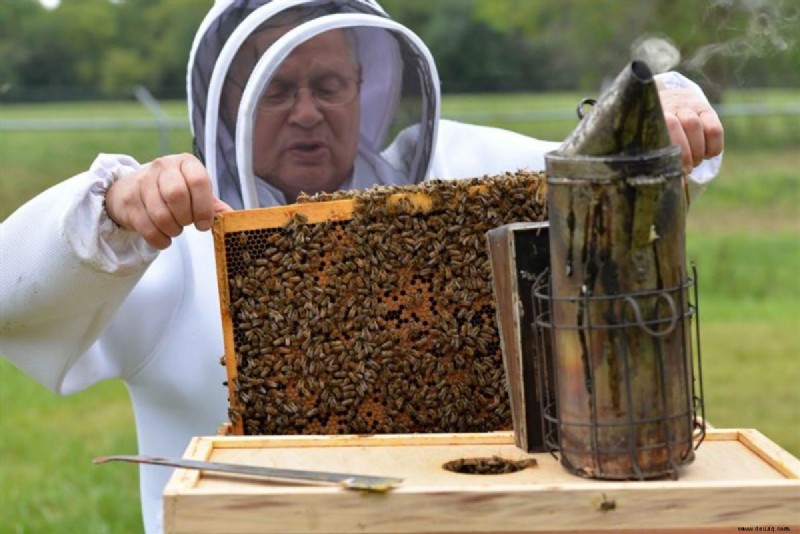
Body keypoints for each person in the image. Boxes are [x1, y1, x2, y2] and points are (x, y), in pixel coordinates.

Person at [0, 1, 723, 532]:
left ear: (364, 89)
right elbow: (13, 292)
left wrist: (670, 105)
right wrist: (111, 213)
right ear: (227, 108)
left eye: (328, 86)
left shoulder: (456, 177)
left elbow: (596, 168)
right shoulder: (172, 248)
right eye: (278, 90)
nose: (307, 112)